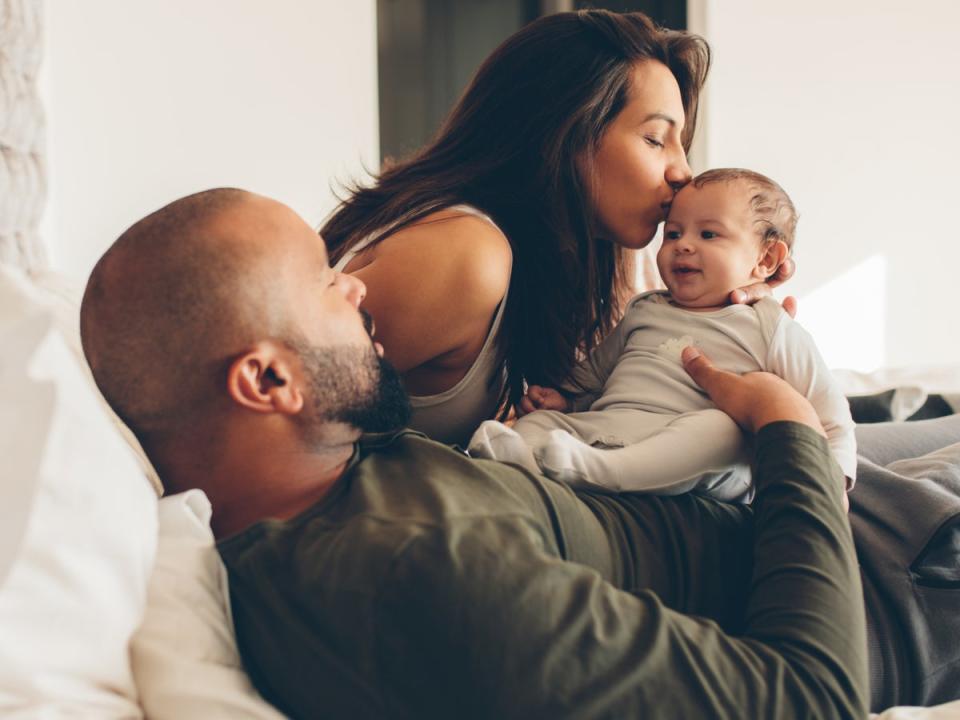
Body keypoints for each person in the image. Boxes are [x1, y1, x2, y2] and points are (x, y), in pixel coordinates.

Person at [82, 188, 873, 717]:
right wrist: (786, 426)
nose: (359, 288)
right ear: (267, 379)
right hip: (856, 572)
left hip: (748, 497)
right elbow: (814, 698)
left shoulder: (337, 462)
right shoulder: (419, 579)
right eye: (327, 283)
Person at [318, 10, 796, 448]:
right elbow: (277, 420)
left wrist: (727, 323)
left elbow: (613, 414)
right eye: (655, 139)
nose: (683, 173)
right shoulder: (464, 254)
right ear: (563, 134)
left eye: (681, 144)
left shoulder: (567, 261)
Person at [469, 169, 856, 503]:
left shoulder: (769, 326)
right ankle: (519, 457)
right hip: (611, 428)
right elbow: (596, 374)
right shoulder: (645, 308)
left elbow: (829, 411)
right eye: (672, 234)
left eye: (708, 234)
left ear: (766, 259)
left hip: (692, 456)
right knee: (544, 424)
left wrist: (833, 482)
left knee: (722, 430)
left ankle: (599, 471)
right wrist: (563, 398)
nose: (683, 245)